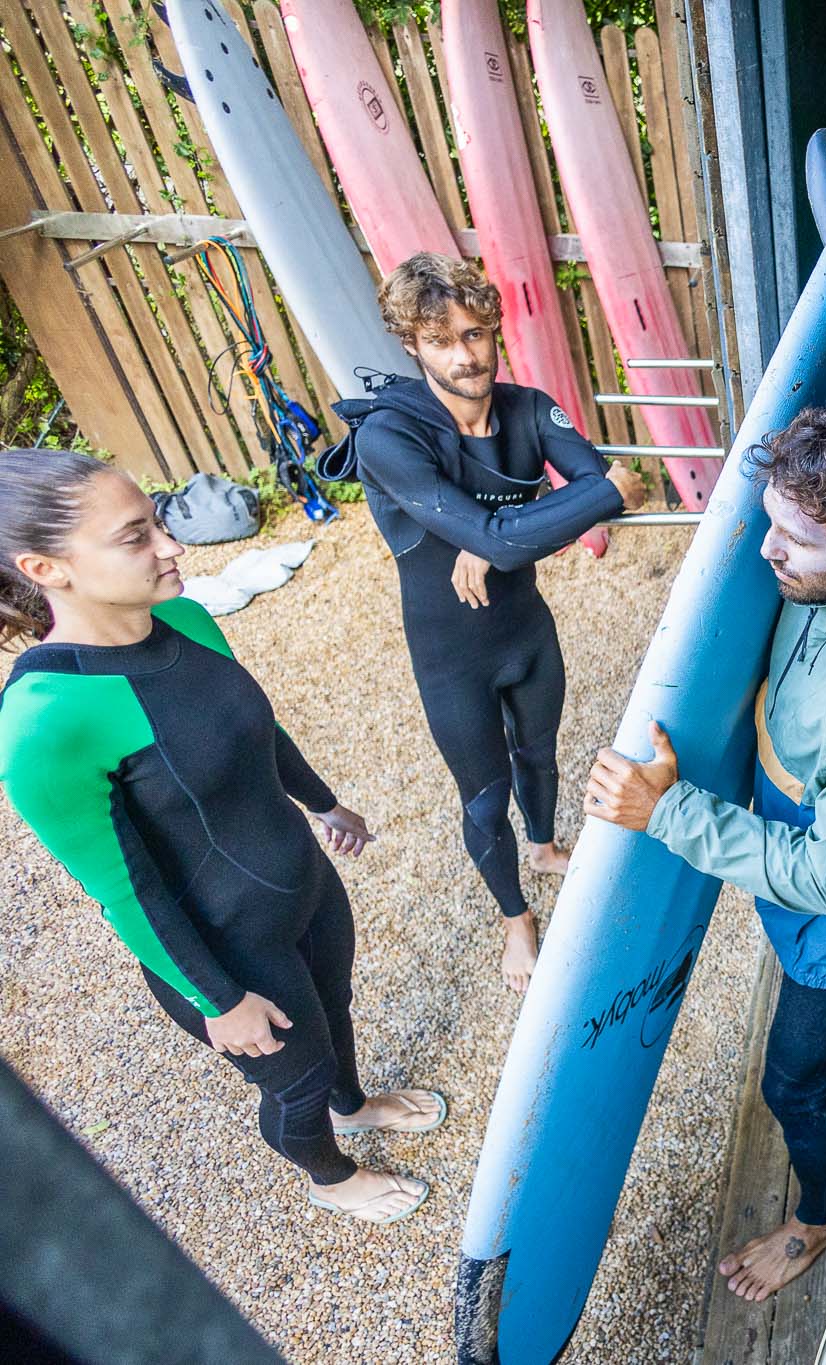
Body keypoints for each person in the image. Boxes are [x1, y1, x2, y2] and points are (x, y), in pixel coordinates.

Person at [581, 394, 826, 1301]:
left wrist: (670, 813)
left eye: (797, 542)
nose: (769, 552)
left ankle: (819, 1216)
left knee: (793, 1079)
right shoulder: (819, 580)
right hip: (808, 889)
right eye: (771, 525)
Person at [0, 449, 442, 1223]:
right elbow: (124, 891)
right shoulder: (42, 722)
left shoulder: (186, 617)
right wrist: (219, 998)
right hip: (226, 951)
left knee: (335, 1008)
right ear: (48, 566)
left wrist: (324, 803)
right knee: (294, 1081)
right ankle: (328, 1175)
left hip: (302, 882)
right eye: (135, 536)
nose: (172, 547)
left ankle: (353, 1104)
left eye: (159, 522)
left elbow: (255, 730)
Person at [336, 252, 649, 992]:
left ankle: (543, 849)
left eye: (476, 334)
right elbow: (600, 494)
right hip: (452, 656)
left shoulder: (531, 407)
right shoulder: (390, 437)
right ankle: (516, 919)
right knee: (483, 798)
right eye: (442, 340)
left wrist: (496, 544)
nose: (466, 355)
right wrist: (505, 537)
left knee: (540, 754)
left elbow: (603, 482)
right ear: (411, 345)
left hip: (525, 630)